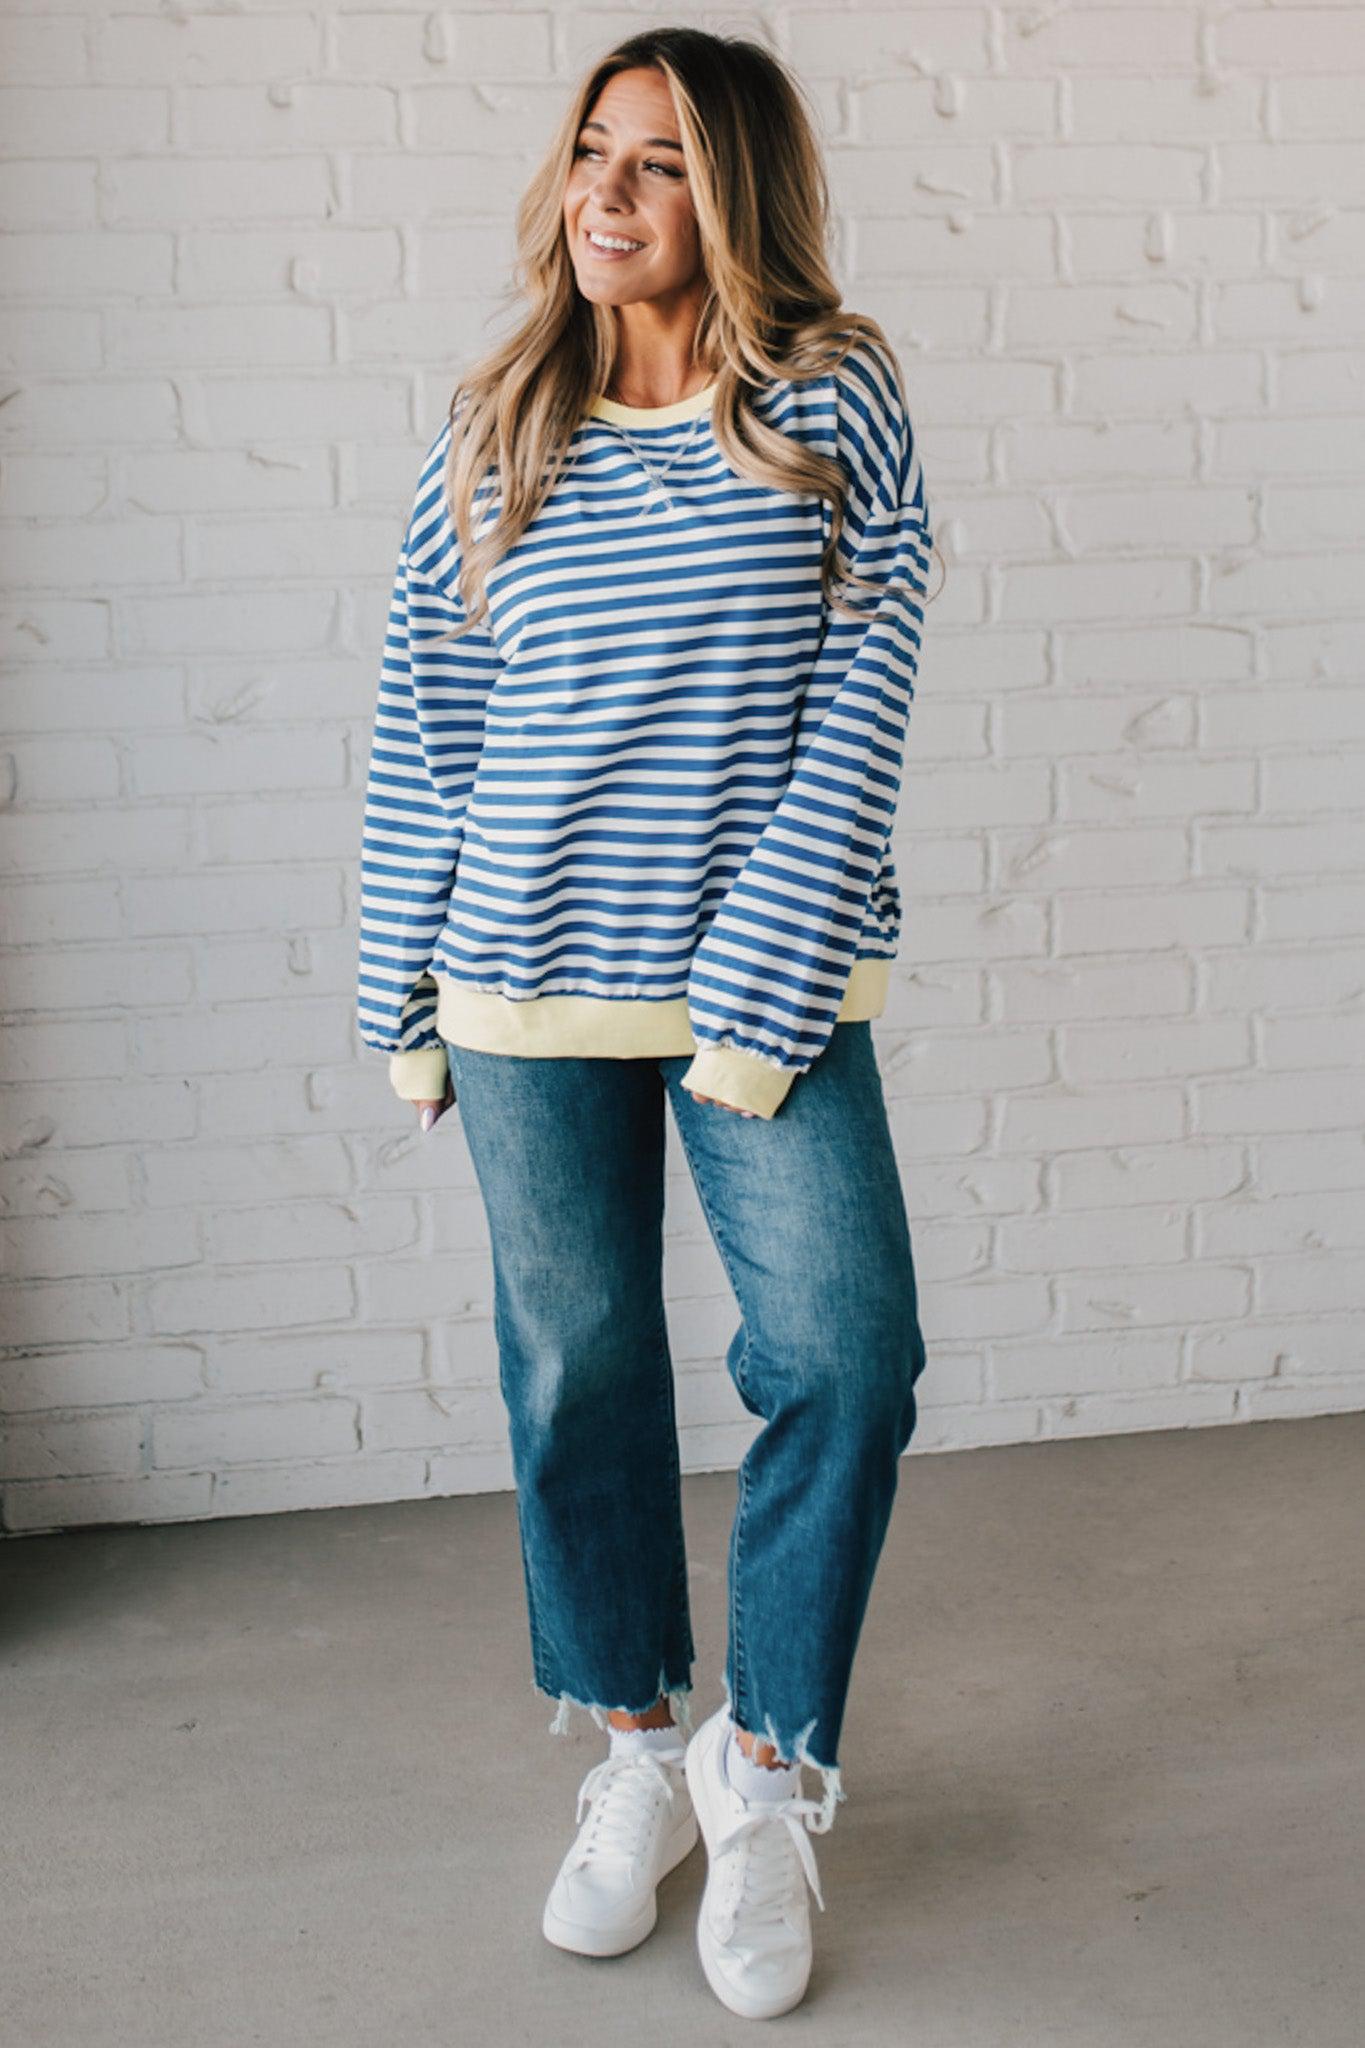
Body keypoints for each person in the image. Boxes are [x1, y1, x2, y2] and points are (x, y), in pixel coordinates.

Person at [356, 25, 934, 2022]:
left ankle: (758, 1775)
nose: (604, 195)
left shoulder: (828, 395)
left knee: (845, 1354)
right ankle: (631, 1757)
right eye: (589, 153)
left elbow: (859, 698)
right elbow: (431, 729)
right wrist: (403, 994)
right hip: (518, 977)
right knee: (578, 1371)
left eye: (659, 166)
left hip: (755, 973)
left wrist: (759, 996)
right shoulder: (499, 411)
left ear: (736, 194)